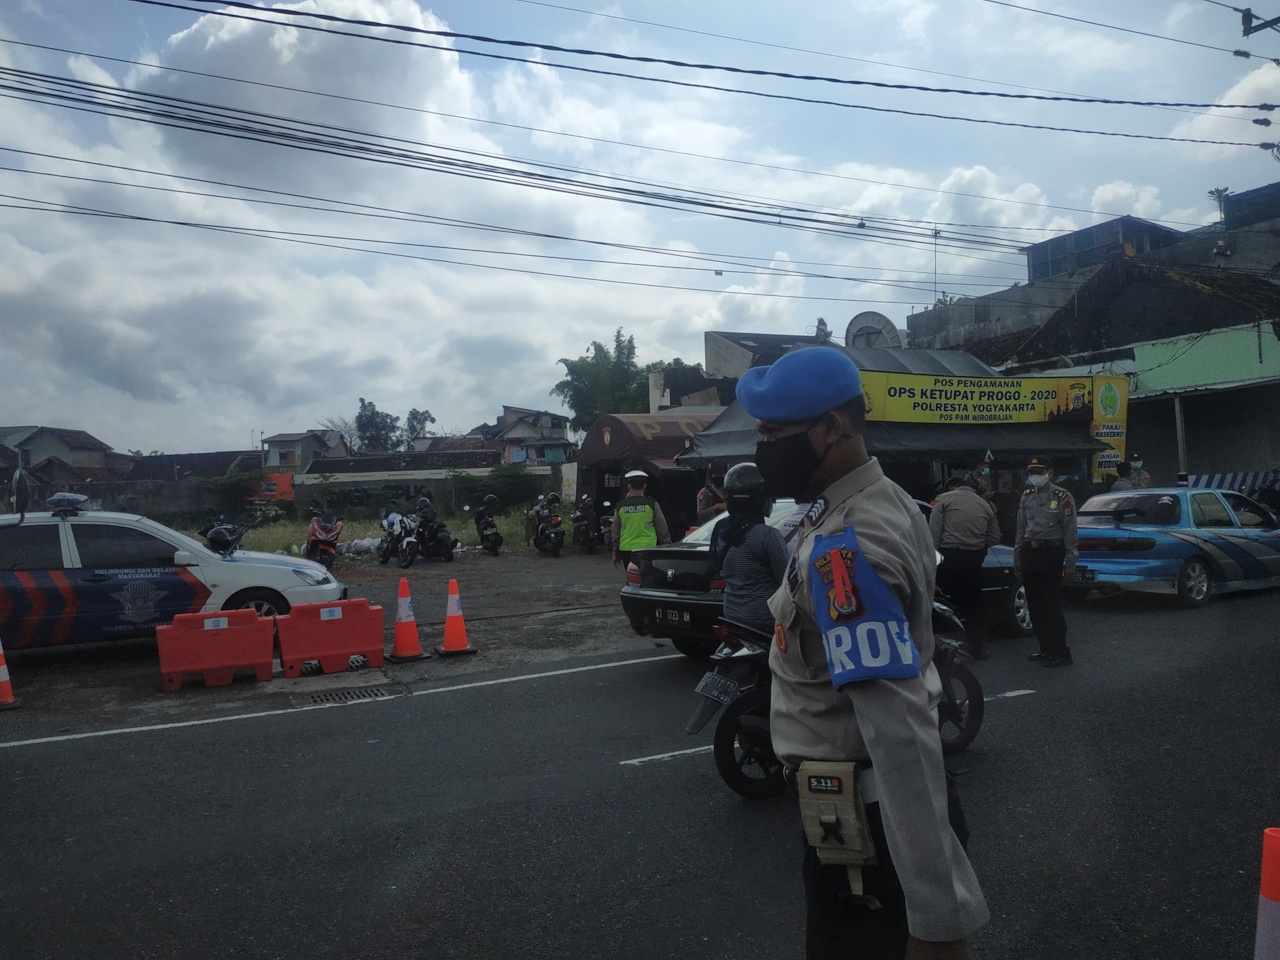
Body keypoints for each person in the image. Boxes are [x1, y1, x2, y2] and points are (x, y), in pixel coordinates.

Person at [737, 347, 988, 960]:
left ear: (832, 429)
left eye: (775, 432)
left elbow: (900, 735)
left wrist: (936, 922)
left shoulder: (847, 549)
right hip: (858, 825)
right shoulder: (876, 502)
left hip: (870, 838)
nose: (763, 446)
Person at [708, 463, 789, 637]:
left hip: (731, 615)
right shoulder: (767, 535)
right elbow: (788, 583)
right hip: (764, 621)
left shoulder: (722, 531)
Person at [1014, 457, 1078, 667]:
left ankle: (1060, 651)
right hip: (1030, 551)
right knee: (1035, 604)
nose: (1034, 476)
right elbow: (1021, 529)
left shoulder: (1062, 496)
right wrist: (1017, 557)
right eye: (1031, 472)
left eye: (1038, 472)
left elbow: (1070, 531)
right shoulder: (1026, 497)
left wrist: (1070, 562)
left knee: (1051, 604)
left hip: (1051, 552)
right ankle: (1045, 648)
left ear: (1050, 473)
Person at [930, 475, 1001, 661]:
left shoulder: (944, 499)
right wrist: (979, 548)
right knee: (973, 603)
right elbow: (995, 536)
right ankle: (977, 646)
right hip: (973, 557)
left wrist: (932, 559)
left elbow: (933, 532)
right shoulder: (984, 504)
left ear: (954, 487)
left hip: (949, 556)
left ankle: (943, 648)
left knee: (945, 600)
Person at [611, 470, 671, 568]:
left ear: (629, 486)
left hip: (627, 550)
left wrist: (615, 552)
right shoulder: (652, 504)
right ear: (645, 486)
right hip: (648, 549)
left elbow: (615, 531)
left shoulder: (620, 506)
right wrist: (667, 546)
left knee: (632, 578)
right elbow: (662, 529)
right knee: (647, 578)